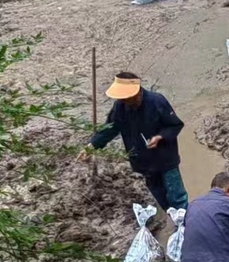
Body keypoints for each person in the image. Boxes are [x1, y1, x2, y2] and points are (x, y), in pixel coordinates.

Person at [77, 72, 188, 212]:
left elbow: (175, 125)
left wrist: (160, 137)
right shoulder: (120, 108)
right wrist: (92, 145)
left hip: (166, 159)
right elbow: (110, 128)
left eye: (127, 97)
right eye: (122, 98)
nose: (125, 101)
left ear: (137, 92)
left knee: (176, 196)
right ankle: (174, 219)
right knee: (160, 195)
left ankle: (186, 224)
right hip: (143, 163)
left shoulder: (157, 101)